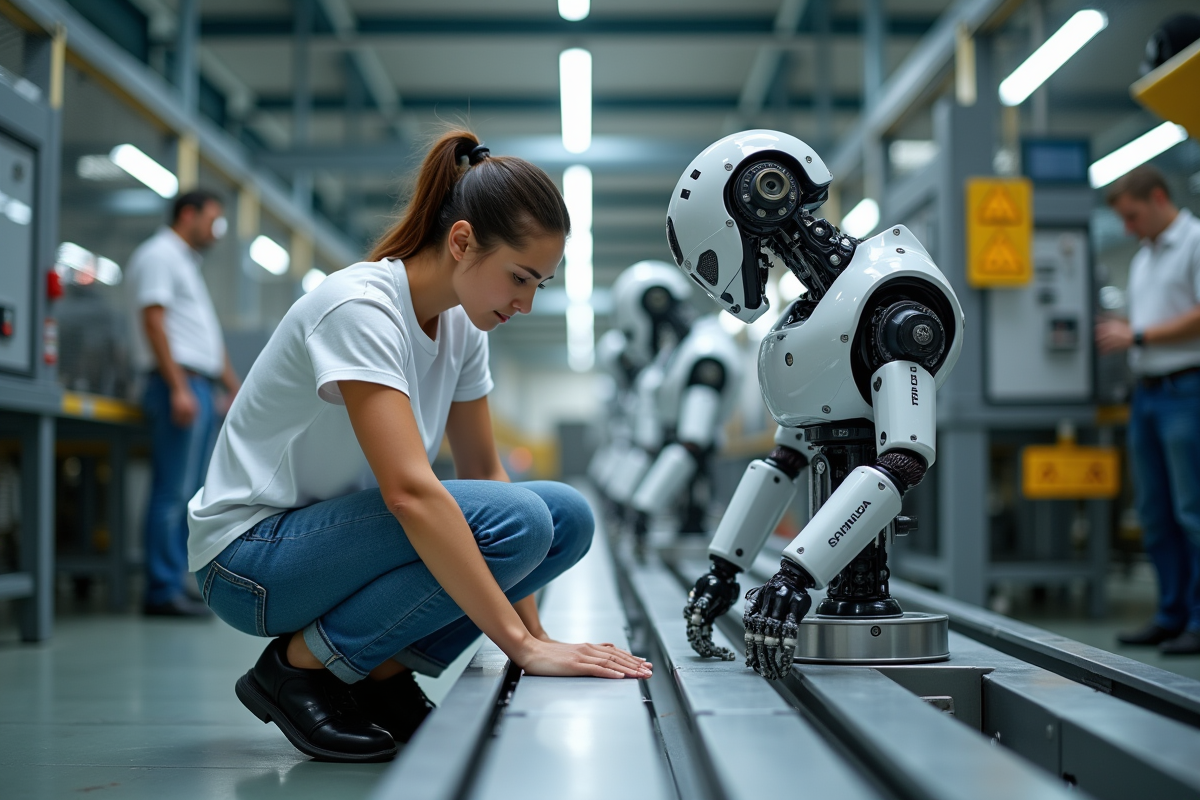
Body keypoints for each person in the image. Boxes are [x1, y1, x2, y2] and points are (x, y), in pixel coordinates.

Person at [186, 131, 652, 763]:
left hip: (331, 548)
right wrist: (519, 645)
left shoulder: (463, 326)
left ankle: (380, 672)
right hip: (250, 562)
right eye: (520, 277)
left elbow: (485, 469)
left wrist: (538, 637)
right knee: (514, 518)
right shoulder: (360, 308)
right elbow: (408, 492)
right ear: (461, 241)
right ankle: (297, 670)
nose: (526, 301)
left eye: (540, 282)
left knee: (565, 517)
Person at [1096, 165, 1200, 656]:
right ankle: (1171, 615)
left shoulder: (1195, 241)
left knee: (1192, 511)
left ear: (1158, 197)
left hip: (1187, 391)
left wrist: (1134, 335)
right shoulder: (1144, 257)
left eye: (1133, 216)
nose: (1128, 228)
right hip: (1148, 395)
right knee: (1156, 513)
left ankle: (1198, 621)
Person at [127, 190, 240, 617]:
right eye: (213, 218)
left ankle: (174, 581)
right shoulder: (160, 255)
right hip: (179, 385)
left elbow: (204, 339)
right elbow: (153, 321)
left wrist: (234, 387)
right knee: (171, 492)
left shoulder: (184, 263)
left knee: (189, 493)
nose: (217, 229)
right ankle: (160, 590)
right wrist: (177, 387)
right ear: (187, 214)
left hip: (199, 386)